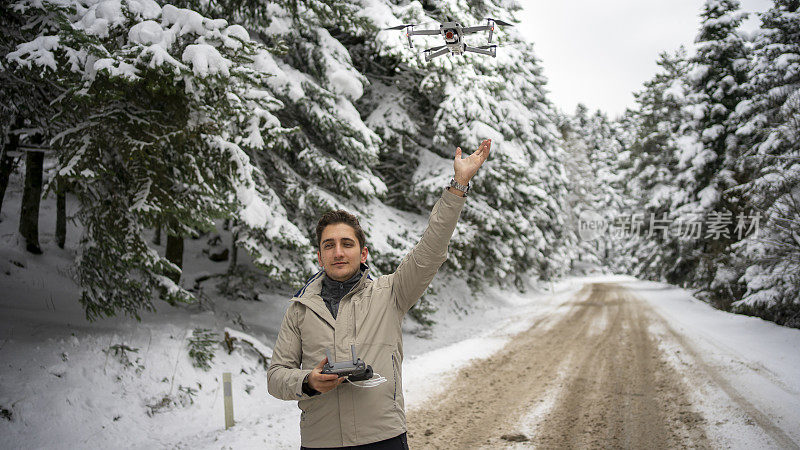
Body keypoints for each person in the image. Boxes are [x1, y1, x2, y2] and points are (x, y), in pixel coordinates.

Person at [267, 139, 492, 449]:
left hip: (383, 439)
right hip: (320, 442)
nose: (338, 252)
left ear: (363, 254)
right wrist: (308, 381)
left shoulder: (391, 293)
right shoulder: (300, 309)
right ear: (319, 257)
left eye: (347, 244)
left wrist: (458, 187)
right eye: (329, 245)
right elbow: (276, 377)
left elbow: (430, 250)